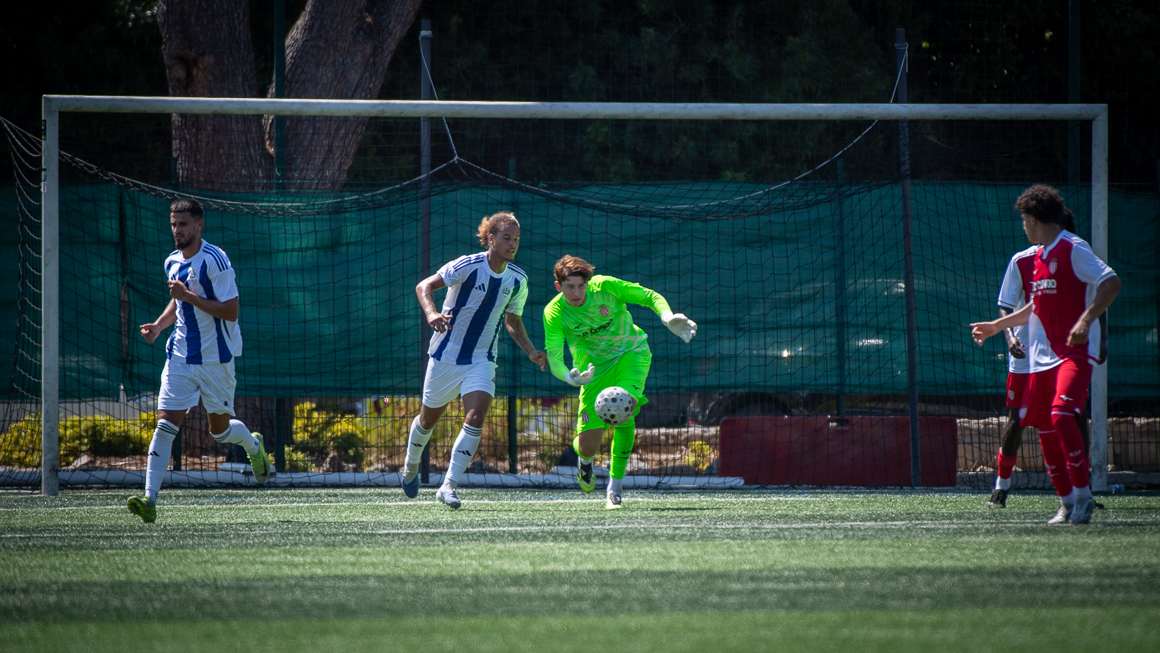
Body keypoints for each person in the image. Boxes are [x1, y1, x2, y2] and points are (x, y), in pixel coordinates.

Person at [971, 185, 1121, 525]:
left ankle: (1083, 496)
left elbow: (1111, 283)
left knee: (1062, 416)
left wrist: (1086, 321)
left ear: (1035, 219)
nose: (1023, 226)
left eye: (1025, 220)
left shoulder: (1073, 248)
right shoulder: (1037, 257)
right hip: (1041, 357)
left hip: (1073, 351)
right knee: (1044, 428)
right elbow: (1035, 307)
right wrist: (997, 326)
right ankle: (1067, 502)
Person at [129, 199, 270, 523]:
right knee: (165, 424)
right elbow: (178, 303)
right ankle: (149, 500)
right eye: (174, 224)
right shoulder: (171, 262)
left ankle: (253, 445)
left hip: (216, 359)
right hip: (180, 355)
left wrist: (188, 296)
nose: (177, 230)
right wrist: (159, 326)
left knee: (219, 432)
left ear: (199, 225)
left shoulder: (216, 261)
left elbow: (231, 311)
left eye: (183, 224)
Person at [401, 212, 547, 509]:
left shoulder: (518, 280)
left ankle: (448, 485)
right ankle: (410, 466)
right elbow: (423, 286)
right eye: (506, 237)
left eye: (516, 239)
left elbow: (513, 321)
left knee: (476, 416)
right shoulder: (468, 265)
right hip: (445, 356)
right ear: (490, 238)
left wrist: (531, 350)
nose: (512, 244)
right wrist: (431, 313)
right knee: (427, 421)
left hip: (481, 359)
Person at [543, 256, 697, 510]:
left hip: (631, 355)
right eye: (569, 286)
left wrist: (667, 316)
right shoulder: (555, 312)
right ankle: (585, 461)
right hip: (593, 372)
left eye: (581, 285)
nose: (576, 292)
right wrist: (569, 376)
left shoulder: (605, 287)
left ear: (588, 283)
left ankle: (615, 487)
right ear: (559, 287)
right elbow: (555, 357)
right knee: (587, 446)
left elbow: (648, 296)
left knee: (626, 411)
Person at [988, 211, 1103, 509]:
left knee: (1072, 415)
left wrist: (1100, 336)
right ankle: (1001, 486)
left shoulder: (1075, 252)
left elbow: (1099, 291)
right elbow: (1014, 306)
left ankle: (1080, 492)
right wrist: (1009, 335)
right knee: (1019, 420)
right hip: (1028, 356)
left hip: (1064, 352)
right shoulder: (1023, 260)